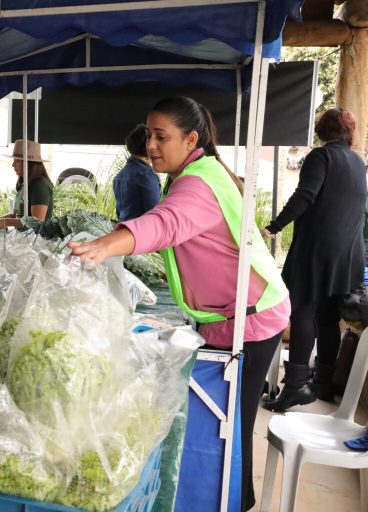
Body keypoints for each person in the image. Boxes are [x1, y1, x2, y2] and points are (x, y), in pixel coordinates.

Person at [68, 96, 290, 512]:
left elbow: (164, 224)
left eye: (161, 136)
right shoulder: (199, 170)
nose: (151, 144)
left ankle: (236, 501)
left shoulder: (199, 182)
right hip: (234, 314)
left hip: (250, 319)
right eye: (149, 134)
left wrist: (105, 245)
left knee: (233, 426)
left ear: (191, 139)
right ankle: (236, 496)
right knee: (230, 423)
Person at [262, 107, 367, 412]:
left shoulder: (321, 157)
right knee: (327, 317)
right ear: (349, 132)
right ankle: (322, 382)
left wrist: (274, 226)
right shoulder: (357, 162)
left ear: (322, 131)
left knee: (303, 313)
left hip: (318, 250)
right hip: (348, 253)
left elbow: (305, 195)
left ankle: (295, 386)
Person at [0, 139, 53, 230]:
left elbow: (37, 221)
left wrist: (6, 222)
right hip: (21, 236)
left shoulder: (39, 185)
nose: (13, 164)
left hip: (36, 240)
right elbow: (15, 215)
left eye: (17, 161)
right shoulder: (24, 183)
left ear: (29, 163)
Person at [113, 123, 161, 221]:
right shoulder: (145, 174)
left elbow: (119, 212)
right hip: (143, 233)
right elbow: (154, 213)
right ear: (148, 146)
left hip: (125, 231)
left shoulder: (119, 176)